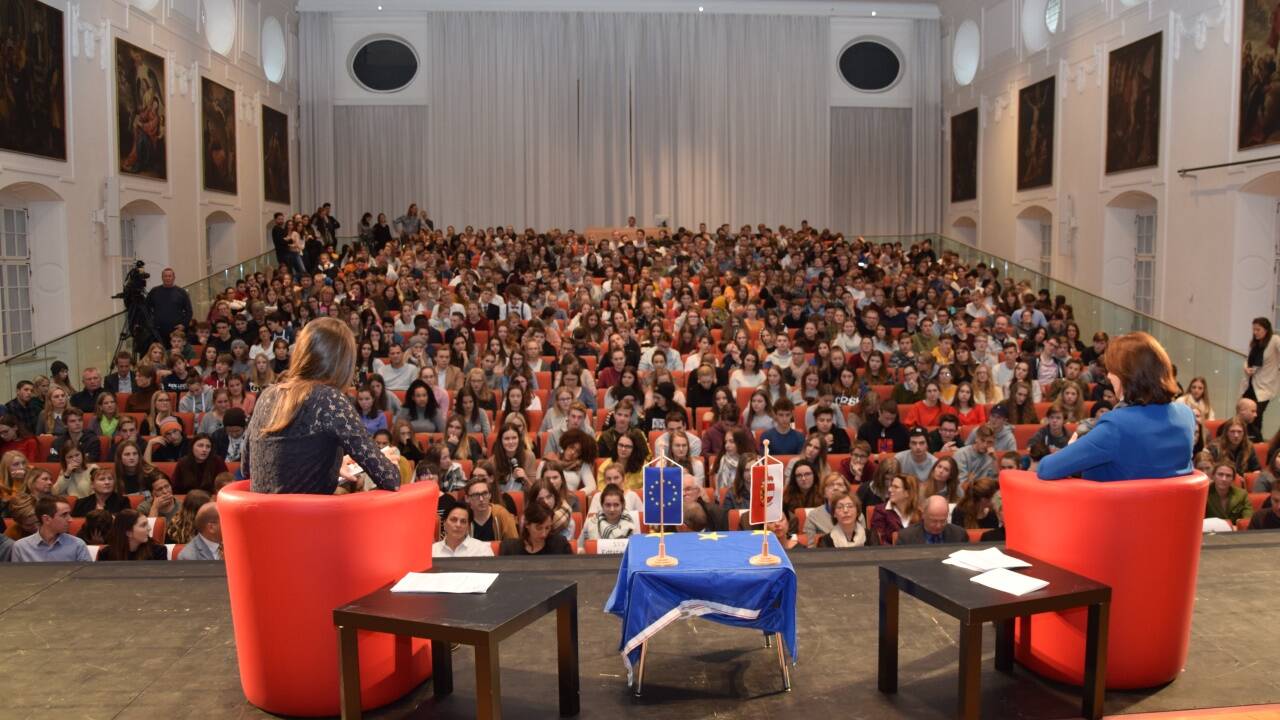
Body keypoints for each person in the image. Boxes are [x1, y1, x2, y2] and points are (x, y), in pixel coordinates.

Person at [243, 318, 400, 494]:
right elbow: (390, 479)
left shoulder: (266, 395)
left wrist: (327, 465)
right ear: (343, 363)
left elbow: (247, 468)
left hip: (260, 517)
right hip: (309, 519)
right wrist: (384, 460)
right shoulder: (330, 399)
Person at [1038, 332, 1195, 481]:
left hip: (1114, 508)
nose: (1108, 376)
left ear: (1126, 376)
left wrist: (1072, 449)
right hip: (1172, 509)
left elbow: (1047, 469)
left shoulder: (1117, 425)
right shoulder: (1186, 415)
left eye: (1112, 370)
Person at [10, 497, 92, 562]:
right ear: (46, 519)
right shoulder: (21, 547)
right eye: (64, 515)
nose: (70, 520)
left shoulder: (77, 545)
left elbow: (87, 579)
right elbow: (16, 580)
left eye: (69, 514)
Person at [1243, 317, 1280, 441]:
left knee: (1256, 415)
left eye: (1258, 329)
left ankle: (1256, 442)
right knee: (1245, 414)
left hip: (1265, 386)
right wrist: (1246, 368)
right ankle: (1248, 441)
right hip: (1250, 383)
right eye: (1254, 329)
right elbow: (1247, 360)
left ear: (1266, 329)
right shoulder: (1255, 343)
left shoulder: (1274, 340)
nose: (1255, 332)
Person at [499, 500, 574, 555]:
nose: (544, 534)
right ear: (527, 524)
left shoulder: (560, 544)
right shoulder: (509, 548)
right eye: (539, 528)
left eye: (547, 528)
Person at [97, 509, 168, 561]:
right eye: (143, 525)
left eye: (147, 524)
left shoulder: (158, 551)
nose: (149, 528)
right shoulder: (105, 554)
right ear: (128, 532)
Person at [870, 475, 920, 546]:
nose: (890, 489)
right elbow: (878, 541)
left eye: (896, 487)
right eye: (891, 486)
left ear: (907, 493)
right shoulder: (881, 511)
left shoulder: (920, 512)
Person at [898, 495, 970, 545]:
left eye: (943, 521)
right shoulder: (906, 537)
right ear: (923, 515)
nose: (938, 526)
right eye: (934, 521)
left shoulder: (959, 535)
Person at [147, 267, 194, 344]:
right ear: (162, 278)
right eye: (165, 276)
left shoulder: (181, 292)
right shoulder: (154, 291)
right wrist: (151, 323)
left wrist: (183, 325)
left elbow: (189, 311)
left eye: (170, 276)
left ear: (174, 277)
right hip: (158, 332)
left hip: (176, 332)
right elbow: (146, 308)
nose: (167, 278)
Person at [465, 477, 518, 542]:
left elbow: (514, 544)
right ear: (467, 498)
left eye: (485, 493)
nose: (481, 499)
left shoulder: (501, 514)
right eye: (476, 495)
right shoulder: (463, 518)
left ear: (490, 495)